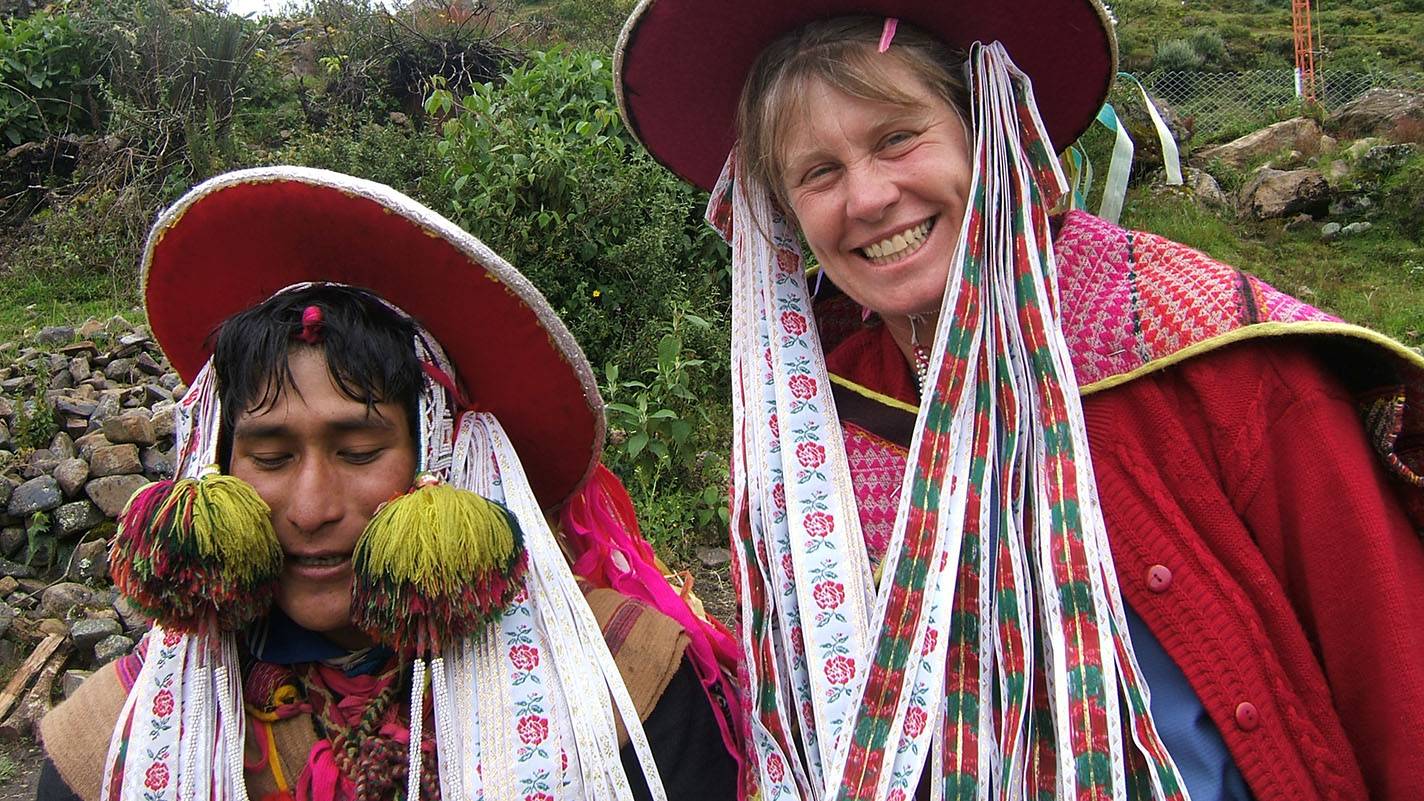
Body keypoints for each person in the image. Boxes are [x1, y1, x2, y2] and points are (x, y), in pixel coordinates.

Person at [615, 3, 1424, 800]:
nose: (866, 198)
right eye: (818, 172)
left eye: (898, 138)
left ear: (988, 131)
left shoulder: (1207, 358)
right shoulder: (813, 437)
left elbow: (1398, 685)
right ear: (785, 212)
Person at [38, 167, 739, 801]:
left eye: (359, 450)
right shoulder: (109, 748)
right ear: (217, 470)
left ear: (438, 456)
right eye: (272, 457)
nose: (312, 509)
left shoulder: (626, 688)